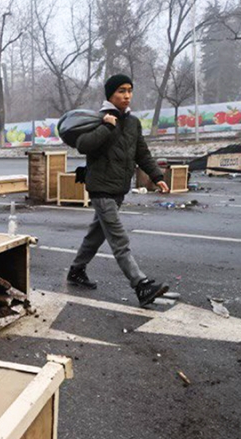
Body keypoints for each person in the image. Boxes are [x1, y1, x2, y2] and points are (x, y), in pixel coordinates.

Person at [67, 74, 170, 307]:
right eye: (121, 91)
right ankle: (141, 285)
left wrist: (157, 176)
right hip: (101, 188)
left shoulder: (133, 122)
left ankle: (75, 271)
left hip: (119, 188)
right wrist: (105, 126)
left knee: (96, 235)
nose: (126, 95)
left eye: (129, 90)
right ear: (110, 94)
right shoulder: (100, 118)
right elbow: (83, 145)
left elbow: (141, 153)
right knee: (118, 238)